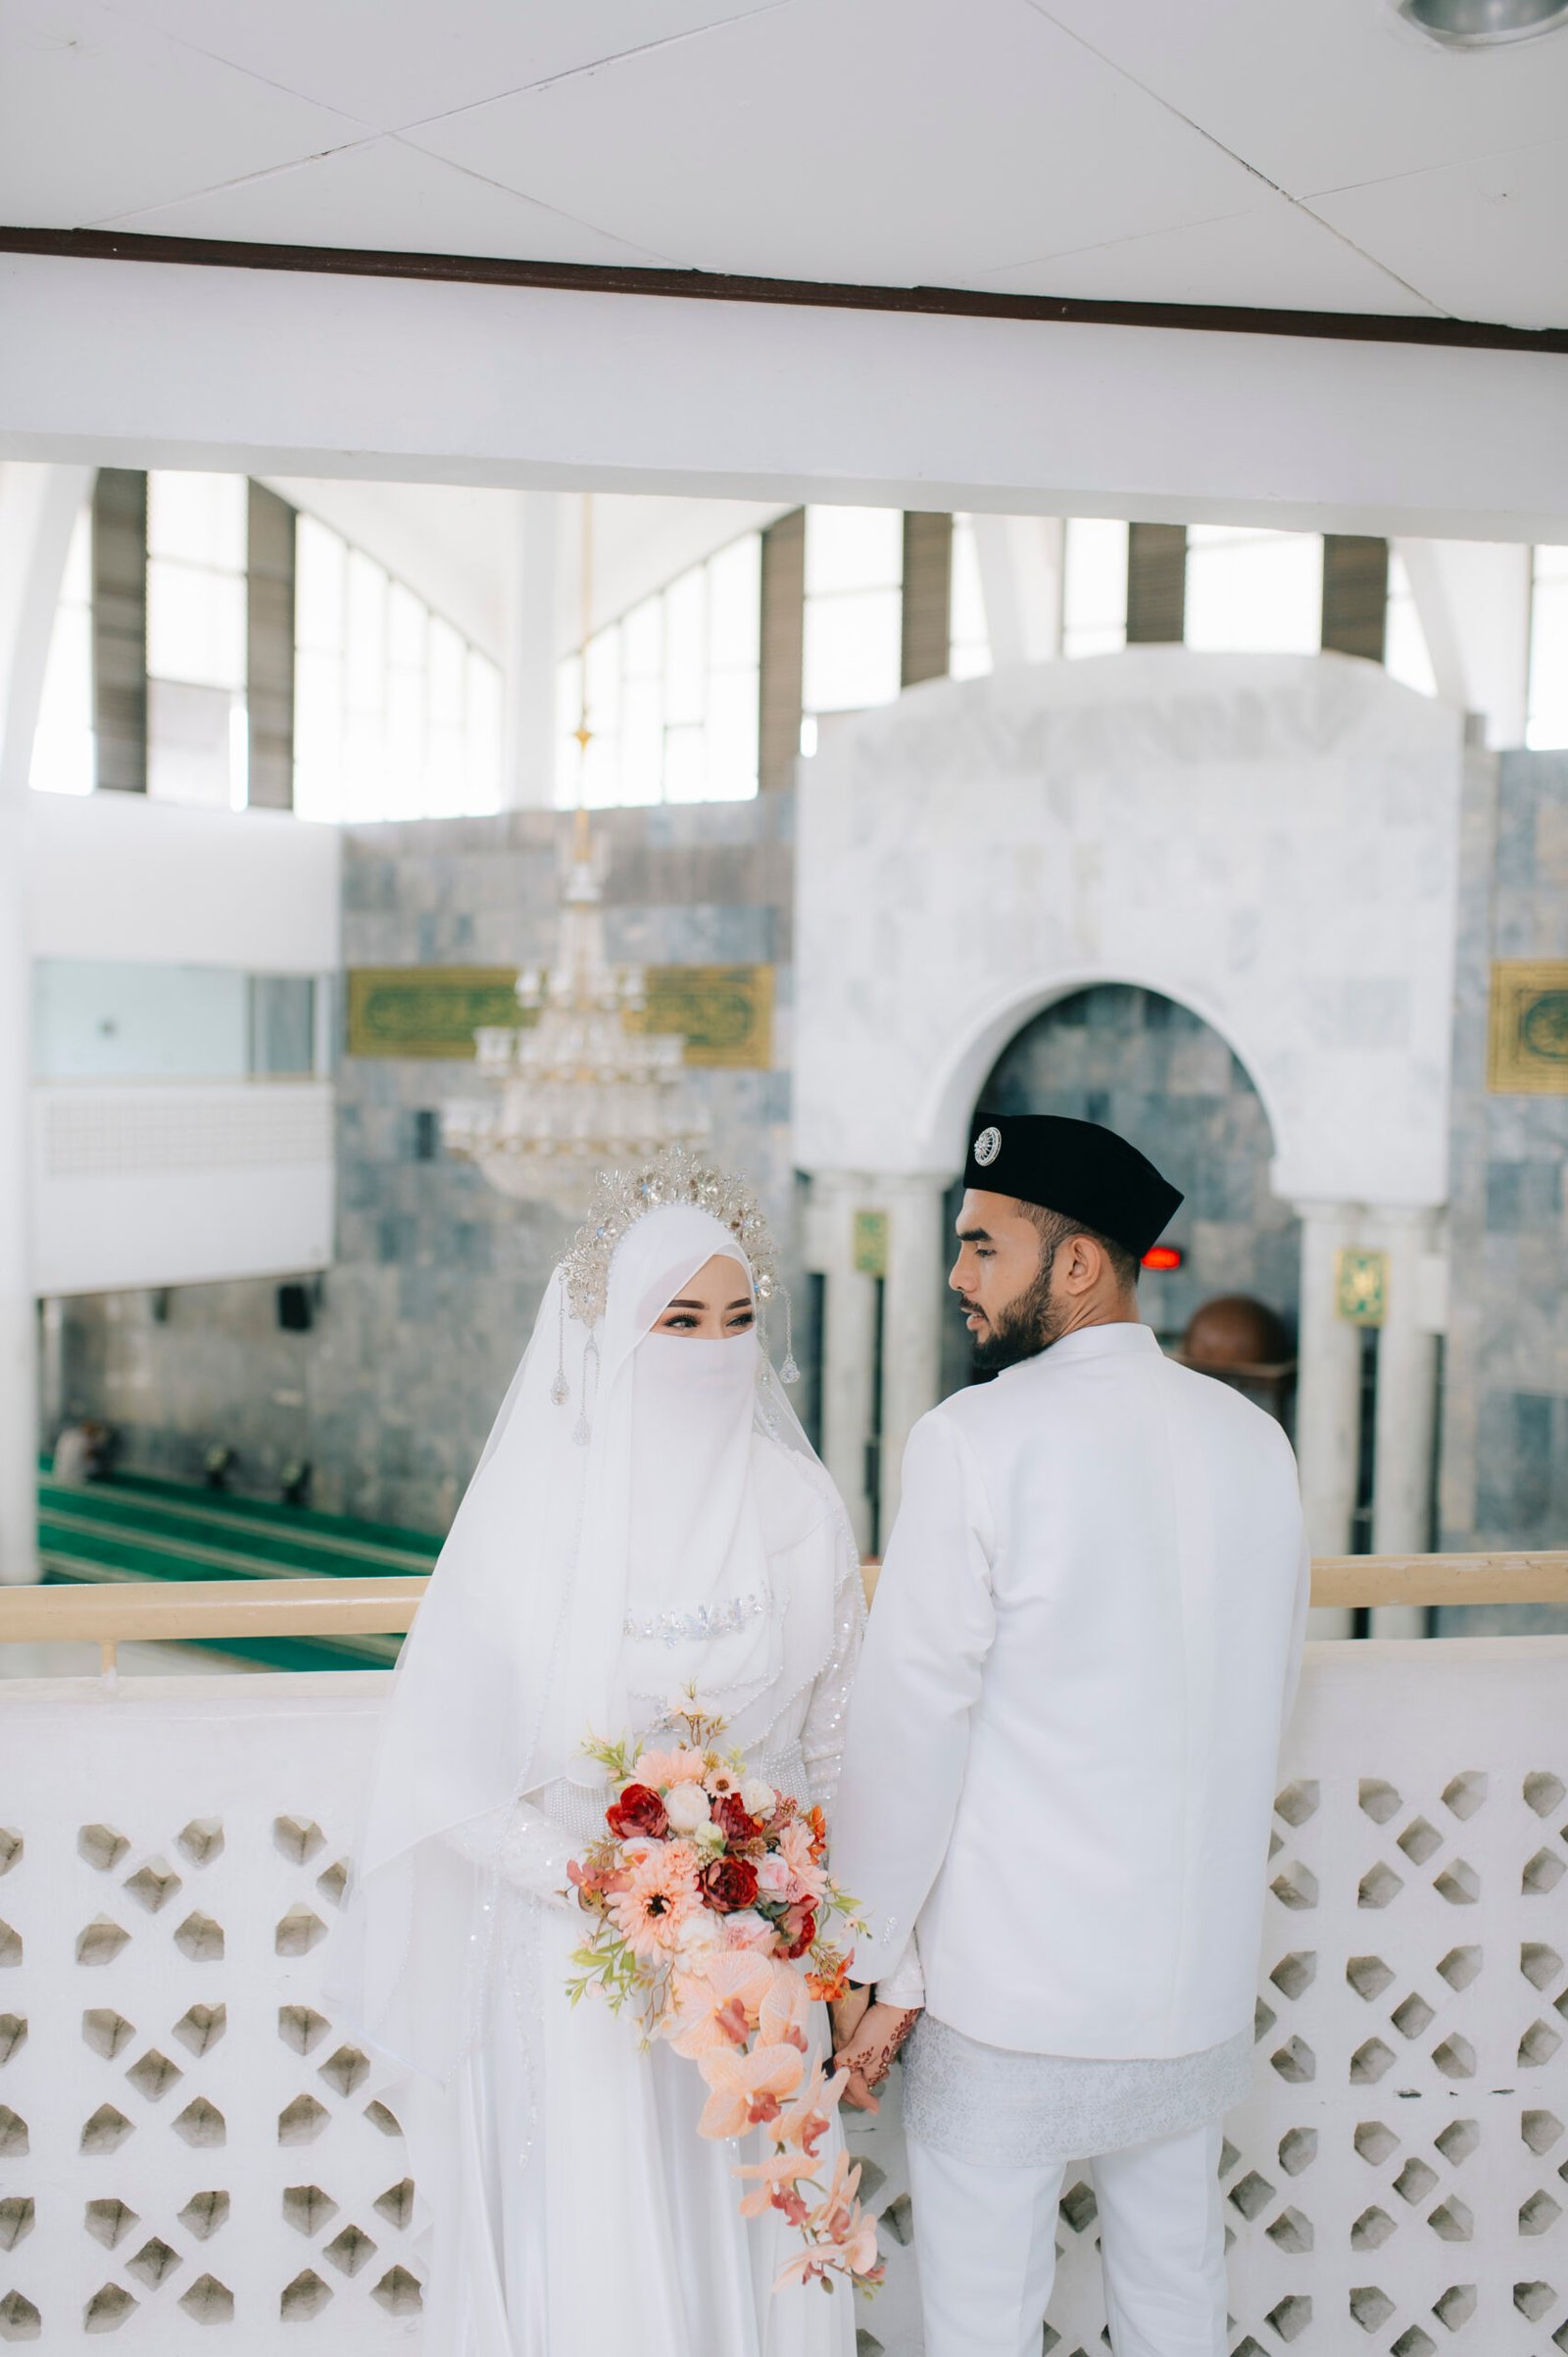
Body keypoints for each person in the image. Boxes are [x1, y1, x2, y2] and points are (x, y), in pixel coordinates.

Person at [334, 1155, 862, 2357]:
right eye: (680, 1319)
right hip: (579, 1960)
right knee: (605, 2246)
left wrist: (800, 1922)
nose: (714, 1347)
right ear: (615, 1328)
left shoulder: (799, 1508)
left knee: (748, 2219)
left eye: (736, 1318)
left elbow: (833, 1745)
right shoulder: (538, 1519)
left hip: (756, 1967)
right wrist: (605, 1880)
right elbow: (445, 1771)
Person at [828, 1112, 1309, 2357]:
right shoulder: (1254, 1440)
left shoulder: (974, 1439)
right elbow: (1271, 1686)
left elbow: (909, 1732)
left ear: (1080, 1262)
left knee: (984, 2315)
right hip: (1190, 1982)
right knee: (1174, 2291)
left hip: (1012, 1992)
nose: (957, 1274)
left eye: (983, 1244)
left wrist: (861, 1958)